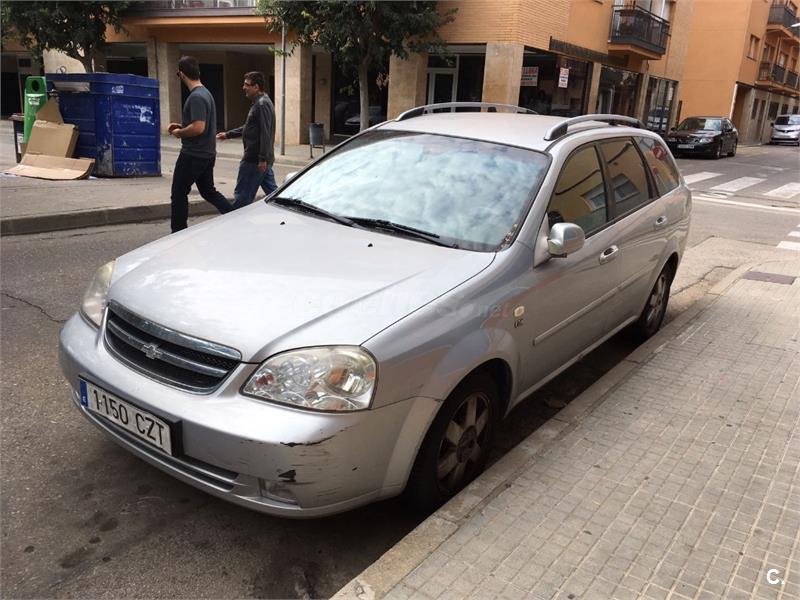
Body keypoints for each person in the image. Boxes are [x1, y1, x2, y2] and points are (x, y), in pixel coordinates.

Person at [168, 56, 231, 233]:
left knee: (179, 193)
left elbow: (198, 127)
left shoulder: (196, 97)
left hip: (193, 154)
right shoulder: (206, 94)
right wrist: (182, 126)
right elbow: (201, 123)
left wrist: (179, 133)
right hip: (207, 154)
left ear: (181, 74)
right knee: (208, 191)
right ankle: (234, 216)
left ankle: (178, 232)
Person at [216, 71, 277, 209]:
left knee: (242, 199)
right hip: (261, 160)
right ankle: (288, 216)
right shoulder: (260, 103)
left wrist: (262, 159)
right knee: (274, 196)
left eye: (247, 85)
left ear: (256, 87)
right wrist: (228, 134)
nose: (244, 87)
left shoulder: (262, 104)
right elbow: (249, 127)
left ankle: (234, 220)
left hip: (254, 160)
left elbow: (265, 132)